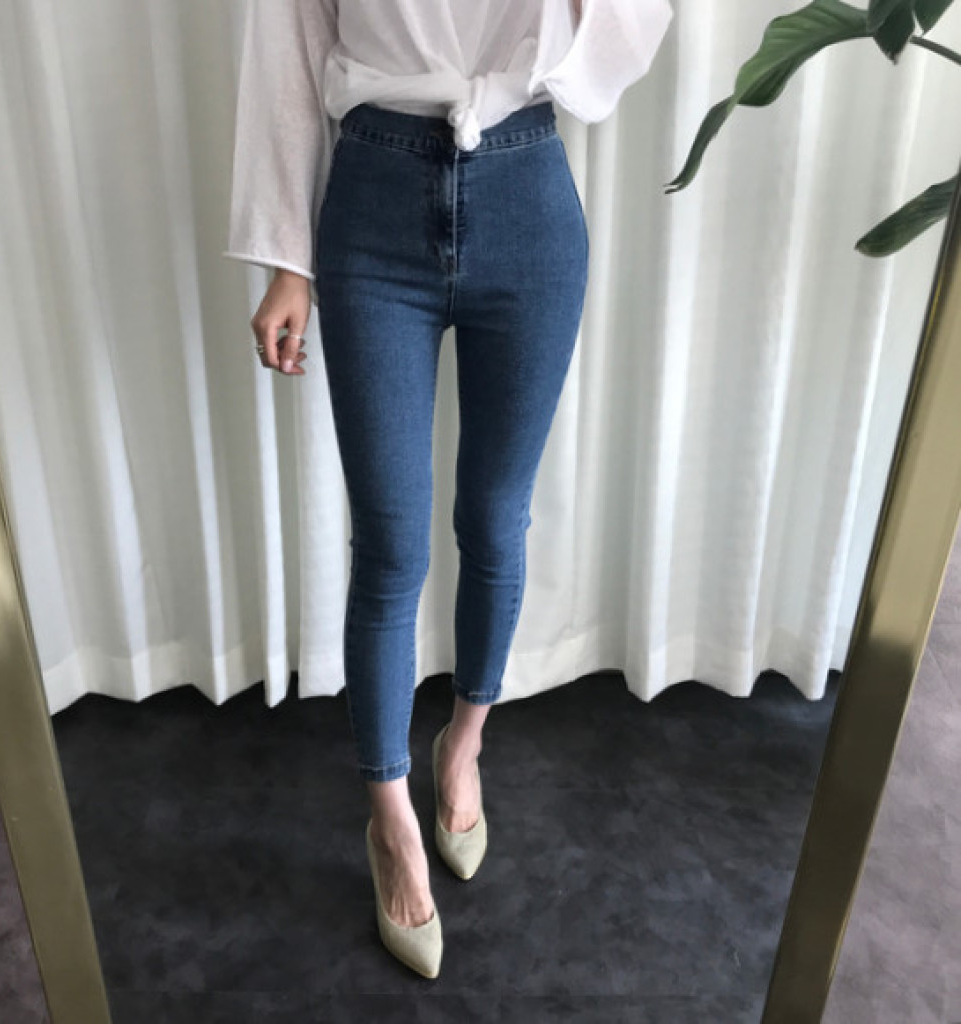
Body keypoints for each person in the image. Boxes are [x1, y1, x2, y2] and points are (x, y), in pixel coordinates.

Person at [224, 0, 673, 979]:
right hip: (372, 201)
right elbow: (284, 46)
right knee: (391, 545)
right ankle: (390, 820)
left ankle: (463, 745)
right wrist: (287, 258)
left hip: (527, 192)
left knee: (497, 521)